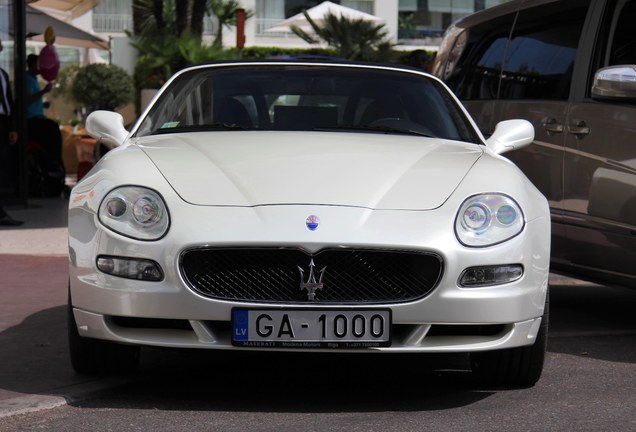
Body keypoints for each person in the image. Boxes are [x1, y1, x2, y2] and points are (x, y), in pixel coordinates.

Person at [26, 53, 65, 196]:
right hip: (30, 121)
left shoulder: (34, 80)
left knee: (53, 129)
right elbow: (26, 100)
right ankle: (52, 165)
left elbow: (33, 101)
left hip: (38, 117)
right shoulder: (26, 80)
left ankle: (54, 164)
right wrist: (43, 91)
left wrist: (43, 103)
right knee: (52, 128)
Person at [0, 39, 23, 226]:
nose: (1, 48)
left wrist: (12, 127)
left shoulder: (2, 74)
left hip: (3, 124)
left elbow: (9, 103)